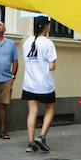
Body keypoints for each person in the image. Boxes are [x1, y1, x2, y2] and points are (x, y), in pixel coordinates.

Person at [21, 17, 58, 153]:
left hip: (29, 84)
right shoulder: (48, 43)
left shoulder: (27, 42)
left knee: (32, 111)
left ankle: (30, 143)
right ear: (45, 27)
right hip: (44, 84)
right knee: (50, 108)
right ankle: (42, 136)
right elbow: (52, 66)